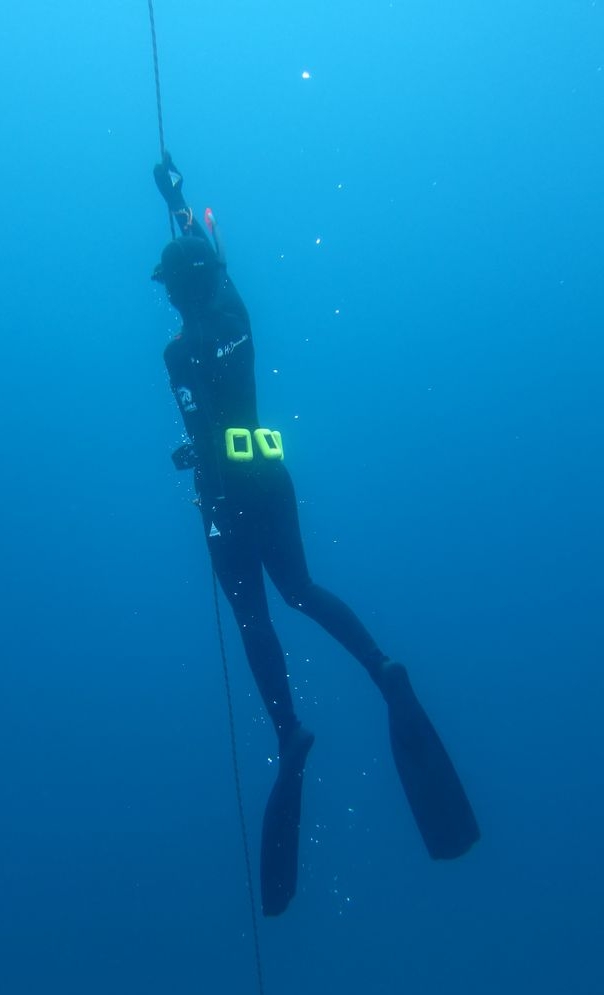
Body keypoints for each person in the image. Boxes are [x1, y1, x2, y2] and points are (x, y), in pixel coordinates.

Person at [152, 153, 479, 916]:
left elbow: (200, 428)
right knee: (299, 588)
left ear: (174, 290)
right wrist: (177, 196)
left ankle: (289, 729)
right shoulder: (234, 311)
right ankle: (379, 663)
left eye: (167, 285)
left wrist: (194, 465)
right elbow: (209, 257)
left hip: (226, 494)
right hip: (270, 473)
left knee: (251, 613)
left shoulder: (179, 351)